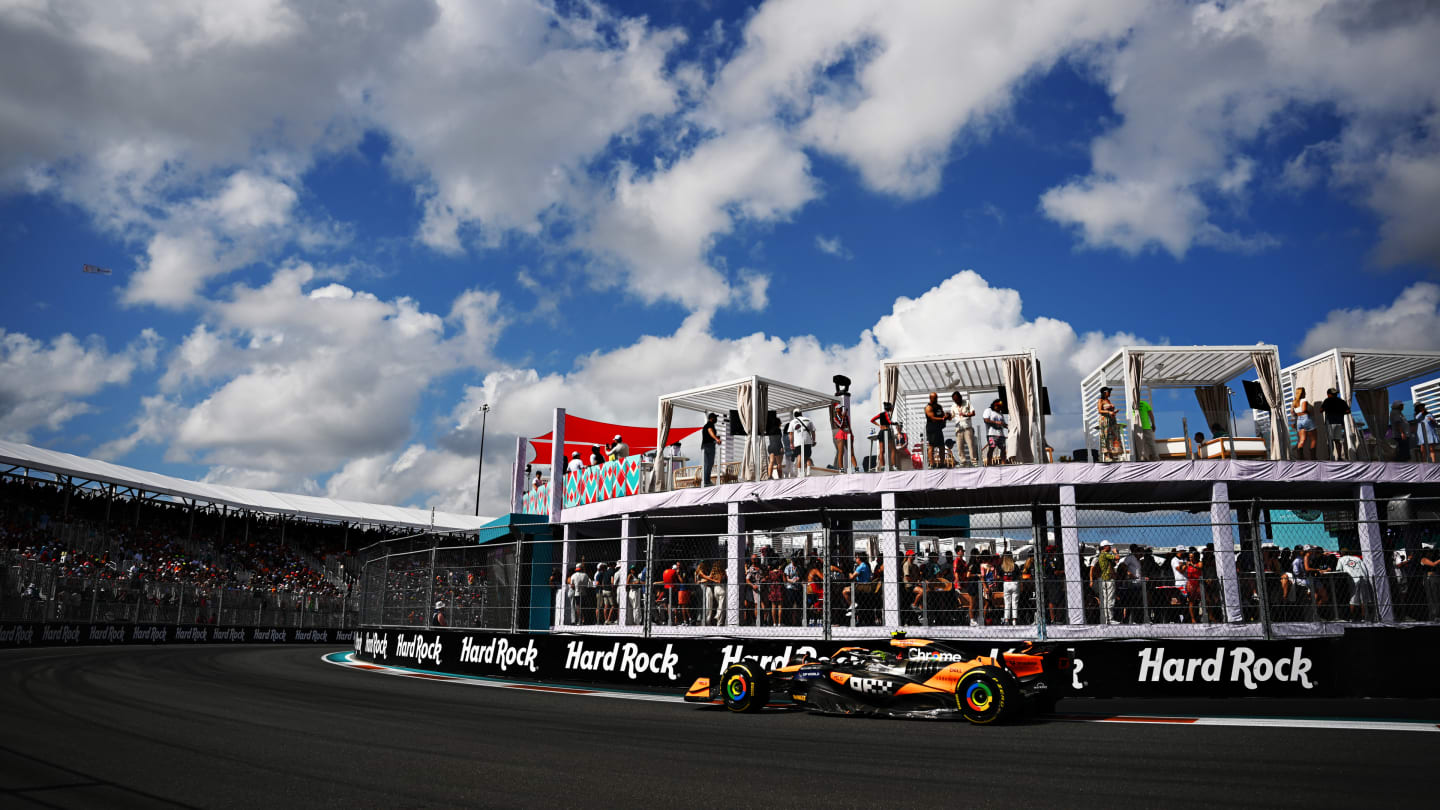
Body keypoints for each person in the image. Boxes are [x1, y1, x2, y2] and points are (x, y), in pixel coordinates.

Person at [1321, 388, 1351, 460]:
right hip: (1339, 422)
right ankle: (1339, 456)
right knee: (1337, 440)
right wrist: (1340, 412)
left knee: (1330, 440)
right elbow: (1348, 411)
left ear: (1328, 394)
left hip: (1329, 423)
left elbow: (1321, 410)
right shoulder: (1341, 401)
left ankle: (1331, 456)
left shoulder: (1327, 401)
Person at [1091, 542, 1118, 625]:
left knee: (1106, 599)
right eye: (1109, 546)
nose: (1110, 547)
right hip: (1109, 579)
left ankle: (1107, 618)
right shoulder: (1105, 554)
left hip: (1104, 579)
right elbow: (1117, 557)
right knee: (1110, 599)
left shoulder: (1101, 556)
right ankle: (1110, 618)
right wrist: (1115, 552)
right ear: (1105, 547)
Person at [950, 393, 978, 467]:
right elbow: (951, 416)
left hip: (967, 427)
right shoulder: (953, 406)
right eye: (955, 400)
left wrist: (966, 415)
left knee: (971, 445)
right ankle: (963, 461)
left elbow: (973, 413)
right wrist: (947, 416)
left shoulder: (967, 402)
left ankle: (974, 461)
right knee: (960, 446)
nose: (956, 401)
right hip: (958, 428)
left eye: (957, 399)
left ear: (960, 397)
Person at [787, 409, 817, 476]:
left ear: (794, 414)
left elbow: (791, 434)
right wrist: (814, 440)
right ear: (801, 413)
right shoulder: (808, 420)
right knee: (807, 456)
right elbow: (813, 431)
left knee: (799, 456)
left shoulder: (792, 422)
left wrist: (791, 443)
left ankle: (800, 473)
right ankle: (808, 472)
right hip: (807, 440)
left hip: (798, 442)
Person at [924, 392, 951, 468]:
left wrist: (947, 416)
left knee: (941, 446)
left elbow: (943, 415)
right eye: (934, 398)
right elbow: (932, 418)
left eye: (936, 397)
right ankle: (932, 464)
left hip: (939, 429)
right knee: (931, 446)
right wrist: (942, 418)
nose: (936, 399)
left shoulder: (939, 406)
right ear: (930, 398)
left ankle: (942, 463)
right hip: (931, 429)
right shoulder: (928, 407)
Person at [1097, 387, 1122, 462]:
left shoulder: (1109, 400)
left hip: (1112, 420)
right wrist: (1108, 412)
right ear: (1105, 392)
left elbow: (1110, 411)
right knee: (1105, 436)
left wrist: (1114, 412)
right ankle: (1106, 455)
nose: (1110, 393)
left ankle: (1112, 454)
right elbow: (1100, 410)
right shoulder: (1100, 400)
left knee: (1112, 436)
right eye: (1109, 392)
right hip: (1105, 420)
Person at [829, 403, 857, 472]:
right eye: (840, 408)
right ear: (836, 410)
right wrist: (843, 417)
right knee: (841, 452)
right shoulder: (835, 418)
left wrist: (851, 434)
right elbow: (840, 425)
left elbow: (849, 426)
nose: (841, 409)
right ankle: (841, 468)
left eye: (841, 408)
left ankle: (856, 467)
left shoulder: (846, 416)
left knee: (851, 452)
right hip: (841, 434)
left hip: (848, 434)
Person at [982, 399, 1008, 466]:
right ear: (994, 405)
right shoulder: (988, 410)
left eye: (1000, 406)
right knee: (991, 448)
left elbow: (1004, 424)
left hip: (1001, 434)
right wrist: (996, 422)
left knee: (1003, 448)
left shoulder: (1000, 414)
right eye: (997, 406)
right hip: (991, 434)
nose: (999, 407)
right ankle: (989, 464)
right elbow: (986, 420)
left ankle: (1003, 463)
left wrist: (1008, 426)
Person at [871, 403, 896, 470]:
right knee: (893, 450)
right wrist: (895, 423)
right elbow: (889, 421)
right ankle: (893, 466)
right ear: (889, 408)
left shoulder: (881, 414)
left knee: (881, 451)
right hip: (887, 431)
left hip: (881, 432)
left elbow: (872, 420)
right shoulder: (887, 414)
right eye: (891, 407)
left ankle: (883, 466)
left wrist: (879, 425)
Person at [1292, 387, 1315, 460]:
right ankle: (1313, 458)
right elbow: (1304, 409)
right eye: (1304, 392)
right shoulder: (1304, 400)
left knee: (1302, 440)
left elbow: (1293, 413)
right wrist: (1310, 412)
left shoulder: (1294, 402)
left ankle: (1300, 458)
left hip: (1299, 420)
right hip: (1306, 418)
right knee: (1313, 439)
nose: (1306, 393)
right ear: (1302, 393)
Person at [701, 413, 720, 486]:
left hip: (707, 445)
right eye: (715, 418)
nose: (716, 419)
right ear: (712, 418)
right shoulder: (709, 425)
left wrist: (715, 439)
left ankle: (707, 480)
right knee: (708, 463)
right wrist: (716, 439)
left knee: (708, 464)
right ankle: (706, 481)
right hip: (708, 446)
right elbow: (710, 432)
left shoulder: (708, 425)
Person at [765, 411, 785, 480]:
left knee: (771, 462)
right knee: (779, 463)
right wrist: (781, 447)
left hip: (770, 447)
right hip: (777, 446)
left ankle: (769, 476)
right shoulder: (778, 430)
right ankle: (780, 477)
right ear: (778, 423)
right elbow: (779, 439)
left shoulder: (770, 429)